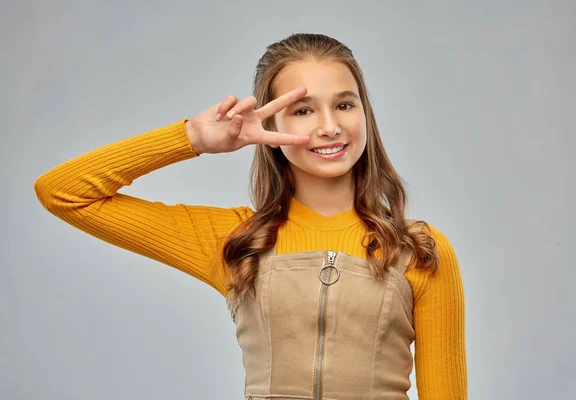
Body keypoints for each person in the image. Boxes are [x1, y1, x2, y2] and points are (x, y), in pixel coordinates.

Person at [34, 33, 467, 399]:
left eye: (345, 105)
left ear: (365, 114)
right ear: (270, 126)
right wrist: (192, 138)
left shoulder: (418, 251)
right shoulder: (238, 240)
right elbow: (63, 192)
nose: (329, 126)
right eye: (303, 110)